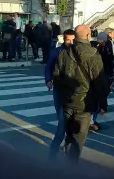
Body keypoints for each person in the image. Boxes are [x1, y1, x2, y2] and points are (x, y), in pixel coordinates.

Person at [53, 25, 109, 163]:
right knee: (79, 136)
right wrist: (103, 103)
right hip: (85, 103)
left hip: (67, 101)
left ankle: (63, 160)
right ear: (89, 36)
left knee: (69, 132)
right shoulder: (94, 54)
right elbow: (100, 82)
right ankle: (71, 167)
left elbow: (56, 77)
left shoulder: (64, 53)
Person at [45, 29, 76, 158]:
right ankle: (54, 152)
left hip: (73, 92)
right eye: (68, 39)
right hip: (59, 90)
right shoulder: (57, 51)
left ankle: (66, 149)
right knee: (62, 121)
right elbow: (48, 67)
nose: (70, 42)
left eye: (73, 40)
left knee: (69, 123)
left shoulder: (77, 52)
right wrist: (48, 80)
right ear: (63, 39)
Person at [89, 31, 114, 132]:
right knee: (96, 100)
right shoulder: (96, 50)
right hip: (97, 78)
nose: (99, 42)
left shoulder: (107, 47)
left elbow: (110, 62)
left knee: (100, 98)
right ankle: (91, 122)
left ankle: (93, 119)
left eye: (101, 40)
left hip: (103, 76)